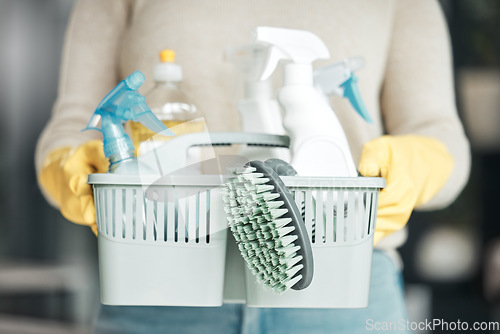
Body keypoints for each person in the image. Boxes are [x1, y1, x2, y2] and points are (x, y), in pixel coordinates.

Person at [36, 0, 470, 333]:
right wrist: (68, 165)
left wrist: (420, 163)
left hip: (340, 287)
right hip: (162, 282)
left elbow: (437, 128)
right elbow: (77, 120)